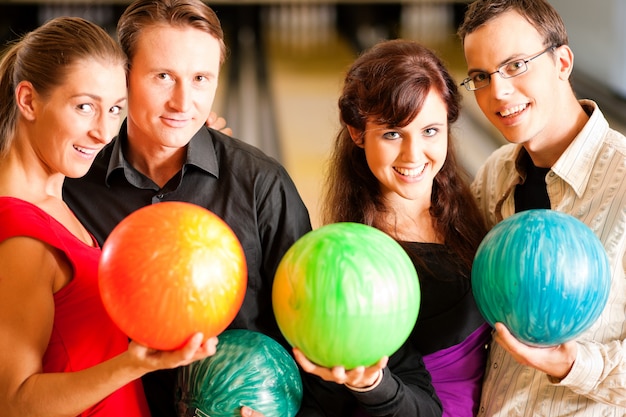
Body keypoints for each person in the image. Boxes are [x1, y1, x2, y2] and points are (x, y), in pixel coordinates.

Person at [61, 0, 313, 416]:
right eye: (163, 77)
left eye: (200, 78)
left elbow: (306, 330)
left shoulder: (260, 184)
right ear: (123, 76)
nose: (183, 102)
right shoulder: (73, 184)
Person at [0, 16, 217, 417]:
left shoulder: (57, 196)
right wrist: (134, 364)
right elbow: (14, 402)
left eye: (116, 109)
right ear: (28, 100)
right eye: (85, 107)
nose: (103, 133)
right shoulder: (21, 234)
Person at [293, 39, 491, 417]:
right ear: (357, 133)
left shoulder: (473, 205)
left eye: (430, 131)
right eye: (392, 134)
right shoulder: (356, 265)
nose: (414, 155)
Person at [457, 0, 626, 415]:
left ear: (562, 62)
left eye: (516, 65)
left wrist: (573, 364)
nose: (498, 92)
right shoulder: (494, 176)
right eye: (481, 76)